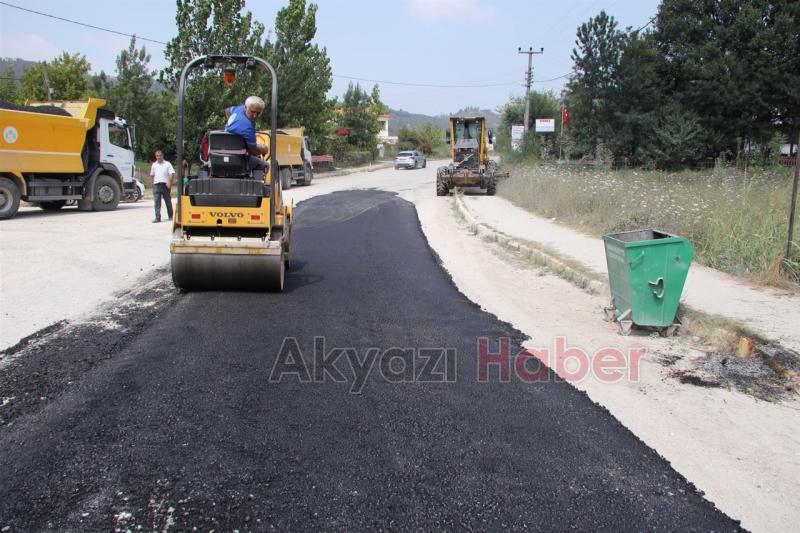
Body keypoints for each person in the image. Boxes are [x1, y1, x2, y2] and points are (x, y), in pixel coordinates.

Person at [224, 95, 268, 170]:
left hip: (224, 152)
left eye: (258, 113)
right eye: (252, 112)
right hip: (237, 159)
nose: (255, 116)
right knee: (264, 165)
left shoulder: (239, 109)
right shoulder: (247, 127)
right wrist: (263, 149)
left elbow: (227, 110)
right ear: (246, 107)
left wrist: (231, 123)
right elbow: (253, 150)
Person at [150, 149, 175, 223]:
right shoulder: (154, 165)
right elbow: (152, 175)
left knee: (168, 201)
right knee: (157, 202)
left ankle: (171, 216)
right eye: (157, 156)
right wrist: (153, 183)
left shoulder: (167, 164)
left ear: (162, 156)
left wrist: (170, 182)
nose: (159, 157)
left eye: (160, 155)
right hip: (157, 185)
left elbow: (172, 173)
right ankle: (157, 218)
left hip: (165, 185)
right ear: (155, 156)